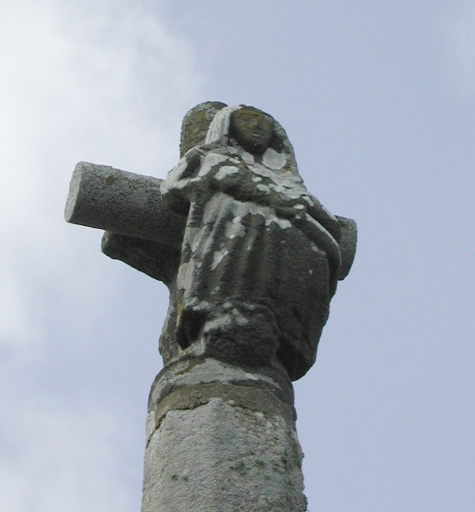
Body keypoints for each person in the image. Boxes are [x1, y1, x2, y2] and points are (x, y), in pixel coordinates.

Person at [161, 104, 343, 380]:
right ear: (229, 127)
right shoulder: (209, 158)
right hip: (236, 247)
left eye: (263, 122)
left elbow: (327, 223)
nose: (256, 126)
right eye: (246, 120)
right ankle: (225, 316)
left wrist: (297, 211)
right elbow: (175, 186)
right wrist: (257, 193)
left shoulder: (290, 182)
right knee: (243, 215)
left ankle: (286, 330)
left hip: (289, 258)